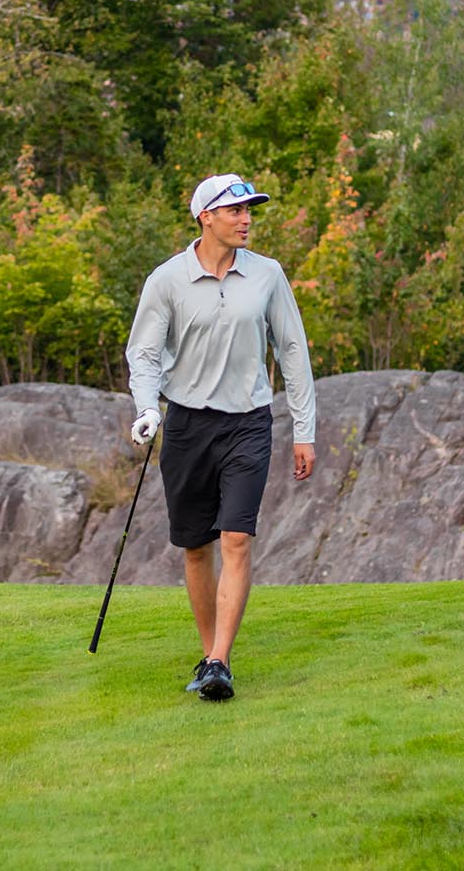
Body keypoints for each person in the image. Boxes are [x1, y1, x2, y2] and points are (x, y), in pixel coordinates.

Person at [125, 173, 318, 702]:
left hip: (249, 422)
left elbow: (293, 352)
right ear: (205, 216)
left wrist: (305, 428)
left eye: (250, 210)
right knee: (195, 547)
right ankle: (211, 657)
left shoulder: (268, 275)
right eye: (235, 211)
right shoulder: (166, 280)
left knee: (236, 538)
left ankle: (218, 660)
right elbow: (142, 354)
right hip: (186, 423)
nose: (247, 218)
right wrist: (146, 408)